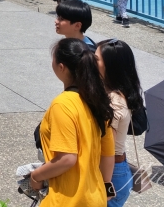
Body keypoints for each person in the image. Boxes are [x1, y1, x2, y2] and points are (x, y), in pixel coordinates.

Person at [28, 39, 115, 206]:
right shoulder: (98, 100)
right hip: (95, 198)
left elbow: (66, 159)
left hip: (66, 200)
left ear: (61, 67)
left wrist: (36, 176)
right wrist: (105, 187)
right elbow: (107, 155)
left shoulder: (63, 104)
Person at [96, 39, 145, 207]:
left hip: (110, 174)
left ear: (110, 66)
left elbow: (107, 149)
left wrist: (105, 185)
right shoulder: (114, 93)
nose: (91, 62)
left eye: (96, 59)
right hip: (115, 169)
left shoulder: (114, 102)